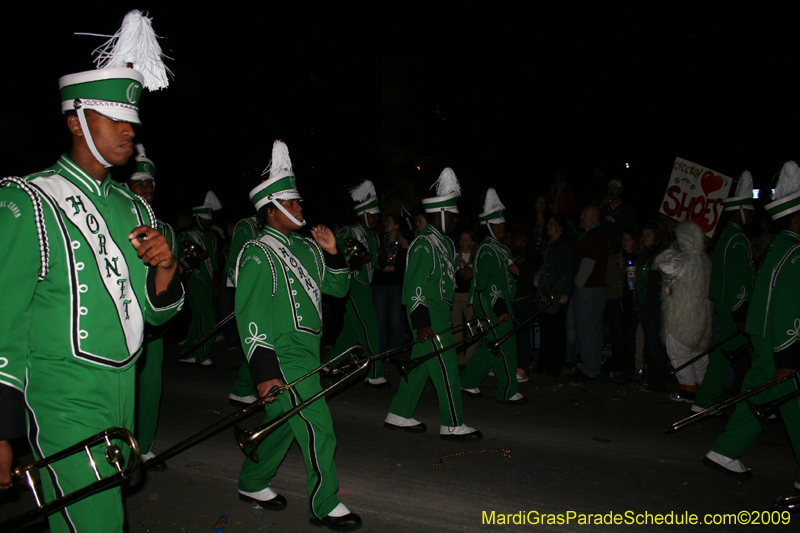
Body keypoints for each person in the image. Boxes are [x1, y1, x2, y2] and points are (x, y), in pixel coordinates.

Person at [0, 11, 183, 531]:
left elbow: (155, 315)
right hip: (60, 396)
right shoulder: (29, 199)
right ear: (77, 119)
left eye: (132, 120)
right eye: (114, 117)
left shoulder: (136, 209)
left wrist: (166, 268)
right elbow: (3, 320)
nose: (130, 129)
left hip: (122, 388)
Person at [234, 140, 360, 531]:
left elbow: (338, 289)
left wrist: (334, 252)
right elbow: (250, 318)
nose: (300, 208)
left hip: (309, 349)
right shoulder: (257, 252)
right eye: (291, 203)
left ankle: (253, 482)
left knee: (285, 422)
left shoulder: (308, 248)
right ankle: (324, 503)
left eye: (299, 202)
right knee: (318, 426)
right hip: (281, 353)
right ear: (270, 210)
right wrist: (264, 371)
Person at [704, 161, 800, 490]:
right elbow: (786, 303)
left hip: (762, 332)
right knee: (792, 399)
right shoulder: (794, 251)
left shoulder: (777, 245)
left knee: (763, 394)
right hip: (779, 339)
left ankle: (725, 450)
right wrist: (788, 355)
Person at [385, 168, 482, 441]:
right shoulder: (424, 243)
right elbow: (415, 287)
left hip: (440, 311)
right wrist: (422, 323)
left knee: (422, 365)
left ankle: (399, 413)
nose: (454, 220)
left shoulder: (445, 245)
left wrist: (463, 277)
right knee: (447, 366)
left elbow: (446, 282)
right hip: (428, 314)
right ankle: (452, 423)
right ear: (439, 215)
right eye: (450, 216)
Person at [128, 144, 178, 466]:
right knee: (121, 391)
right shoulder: (115, 219)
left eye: (150, 185)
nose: (147, 189)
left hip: (153, 324)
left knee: (150, 387)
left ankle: (144, 447)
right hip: (122, 319)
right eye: (140, 184)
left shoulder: (167, 230)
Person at [693, 172, 756, 412]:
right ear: (739, 211)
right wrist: (741, 314)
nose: (751, 215)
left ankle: (705, 402)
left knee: (730, 355)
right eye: (748, 210)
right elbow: (737, 282)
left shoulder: (726, 236)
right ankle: (756, 403)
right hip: (734, 307)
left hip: (725, 304)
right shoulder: (738, 240)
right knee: (748, 358)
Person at [460, 189, 527, 404]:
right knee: (505, 344)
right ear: (488, 226)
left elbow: (503, 278)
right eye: (497, 224)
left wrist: (513, 272)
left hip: (496, 303)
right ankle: (507, 391)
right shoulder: (489, 251)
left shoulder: (499, 249)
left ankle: (467, 382)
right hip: (491, 304)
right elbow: (490, 285)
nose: (501, 228)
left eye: (502, 224)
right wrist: (500, 311)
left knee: (489, 347)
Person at [328, 180, 385, 387]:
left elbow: (375, 267)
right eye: (374, 215)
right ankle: (375, 373)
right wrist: (362, 259)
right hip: (352, 285)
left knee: (352, 331)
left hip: (366, 286)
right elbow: (336, 257)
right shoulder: (348, 232)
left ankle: (328, 364)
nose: (377, 218)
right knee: (371, 328)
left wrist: (380, 258)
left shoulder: (374, 237)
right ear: (363, 214)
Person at [654, 221, 714, 402]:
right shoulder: (705, 258)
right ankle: (705, 390)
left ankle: (688, 389)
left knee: (679, 351)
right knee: (699, 355)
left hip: (682, 316)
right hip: (702, 316)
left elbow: (663, 265)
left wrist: (672, 249)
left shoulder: (685, 258)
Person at [565, 205, 610, 379]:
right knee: (594, 329)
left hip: (588, 289)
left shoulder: (594, 236)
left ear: (594, 217)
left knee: (586, 329)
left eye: (584, 214)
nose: (581, 217)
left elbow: (589, 261)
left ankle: (589, 368)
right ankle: (593, 365)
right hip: (594, 289)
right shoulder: (595, 235)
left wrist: (578, 283)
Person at [177, 190, 222, 365]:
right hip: (194, 280)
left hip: (208, 281)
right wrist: (194, 257)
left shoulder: (211, 238)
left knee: (198, 317)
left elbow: (215, 263)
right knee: (209, 318)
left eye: (209, 219)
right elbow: (178, 260)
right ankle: (203, 354)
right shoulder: (186, 236)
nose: (207, 222)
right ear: (196, 218)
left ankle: (188, 351)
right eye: (204, 219)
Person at [225, 214, 260, 405]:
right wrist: (248, 290)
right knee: (259, 340)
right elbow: (232, 265)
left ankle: (244, 387)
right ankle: (242, 387)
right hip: (253, 294)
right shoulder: (246, 226)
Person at [535, 214, 576, 376]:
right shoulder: (546, 244)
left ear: (560, 227)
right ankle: (544, 364)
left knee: (556, 329)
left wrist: (566, 292)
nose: (549, 226)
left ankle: (554, 365)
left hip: (557, 290)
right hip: (544, 290)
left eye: (552, 224)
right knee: (545, 327)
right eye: (549, 223)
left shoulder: (566, 245)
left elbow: (570, 269)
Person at [604, 229, 639, 379]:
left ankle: (629, 368)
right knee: (618, 336)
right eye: (623, 239)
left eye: (629, 239)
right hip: (617, 301)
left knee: (630, 337)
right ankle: (617, 366)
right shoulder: (615, 258)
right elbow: (608, 281)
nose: (625, 242)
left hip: (632, 302)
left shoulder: (640, 258)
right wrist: (619, 268)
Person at [372, 214, 409, 359]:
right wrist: (385, 266)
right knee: (380, 321)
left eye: (389, 221)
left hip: (395, 286)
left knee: (395, 321)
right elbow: (378, 264)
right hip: (380, 284)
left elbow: (403, 266)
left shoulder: (403, 242)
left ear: (397, 225)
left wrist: (393, 268)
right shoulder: (380, 240)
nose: (386, 223)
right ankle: (380, 353)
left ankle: (394, 354)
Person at [452, 229, 477, 366]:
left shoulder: (476, 257)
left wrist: (466, 266)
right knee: (456, 327)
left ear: (472, 242)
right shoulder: (455, 256)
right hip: (456, 294)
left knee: (471, 327)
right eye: (462, 239)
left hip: (469, 295)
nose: (463, 242)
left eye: (467, 239)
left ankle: (470, 358)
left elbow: (474, 275)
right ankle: (458, 358)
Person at [599, 178, 639, 253]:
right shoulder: (604, 208)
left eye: (614, 188)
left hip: (620, 248)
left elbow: (632, 230)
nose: (611, 191)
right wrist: (601, 206)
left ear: (620, 191)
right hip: (604, 248)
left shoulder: (627, 209)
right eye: (609, 188)